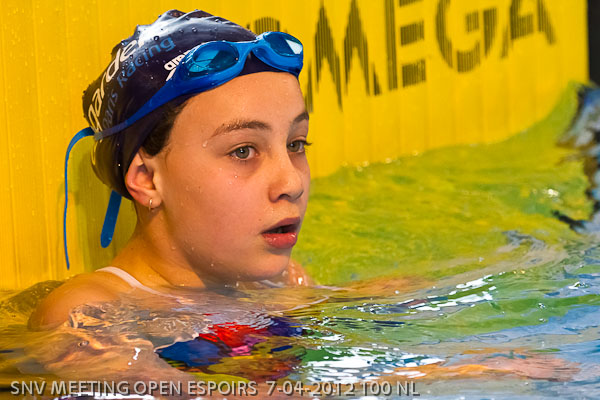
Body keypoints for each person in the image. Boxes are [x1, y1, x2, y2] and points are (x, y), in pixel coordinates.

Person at [29, 9, 312, 331]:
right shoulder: (90, 313)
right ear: (147, 179)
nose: (292, 183)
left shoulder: (280, 284)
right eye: (242, 151)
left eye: (295, 144)